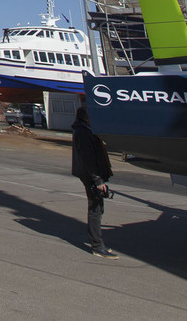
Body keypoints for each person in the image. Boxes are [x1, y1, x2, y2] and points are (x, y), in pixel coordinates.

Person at [71, 104, 115, 257]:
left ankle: (97, 243)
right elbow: (88, 159)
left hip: (90, 175)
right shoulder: (83, 133)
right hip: (91, 176)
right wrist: (98, 181)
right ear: (86, 117)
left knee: (97, 208)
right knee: (95, 209)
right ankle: (97, 245)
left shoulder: (82, 130)